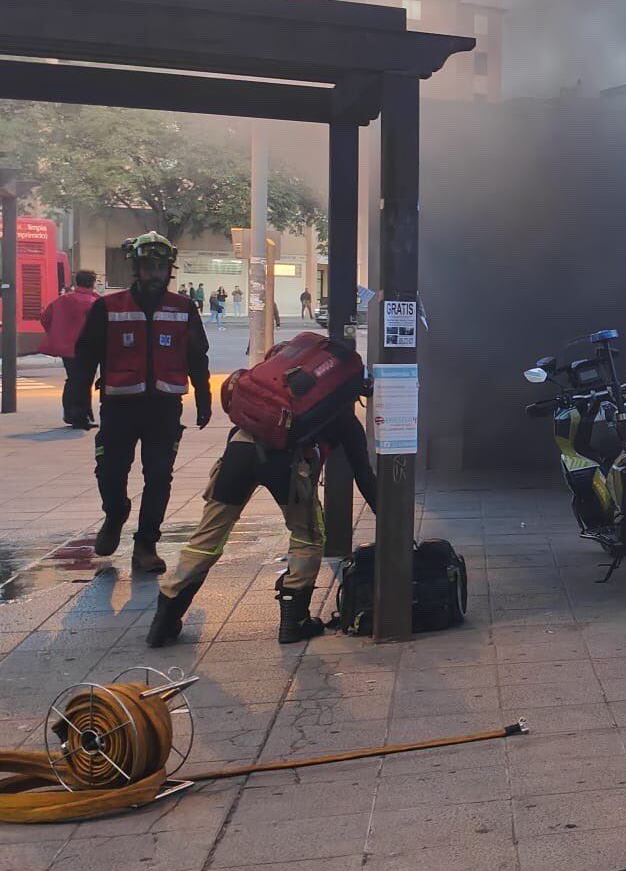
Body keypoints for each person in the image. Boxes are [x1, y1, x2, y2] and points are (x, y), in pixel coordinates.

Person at [146, 379, 377, 647]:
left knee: (206, 540)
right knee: (308, 538)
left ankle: (163, 621)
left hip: (238, 451)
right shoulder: (341, 417)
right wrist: (390, 523)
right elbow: (363, 474)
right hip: (286, 465)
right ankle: (294, 622)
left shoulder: (273, 399)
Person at [73, 234, 210, 575]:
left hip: (164, 409)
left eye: (161, 267)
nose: (155, 274)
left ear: (169, 270)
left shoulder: (183, 308)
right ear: (136, 268)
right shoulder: (108, 307)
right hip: (119, 407)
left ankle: (146, 545)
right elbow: (86, 354)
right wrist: (77, 399)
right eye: (149, 267)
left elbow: (197, 355)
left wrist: (204, 396)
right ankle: (115, 513)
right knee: (110, 473)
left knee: (160, 476)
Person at [37, 270, 101, 429]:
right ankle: (81, 416)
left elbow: (45, 318)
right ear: (92, 282)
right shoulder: (96, 301)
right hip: (88, 348)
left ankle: (72, 413)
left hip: (68, 348)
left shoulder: (62, 300)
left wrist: (59, 334)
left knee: (73, 379)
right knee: (85, 381)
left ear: (76, 281)